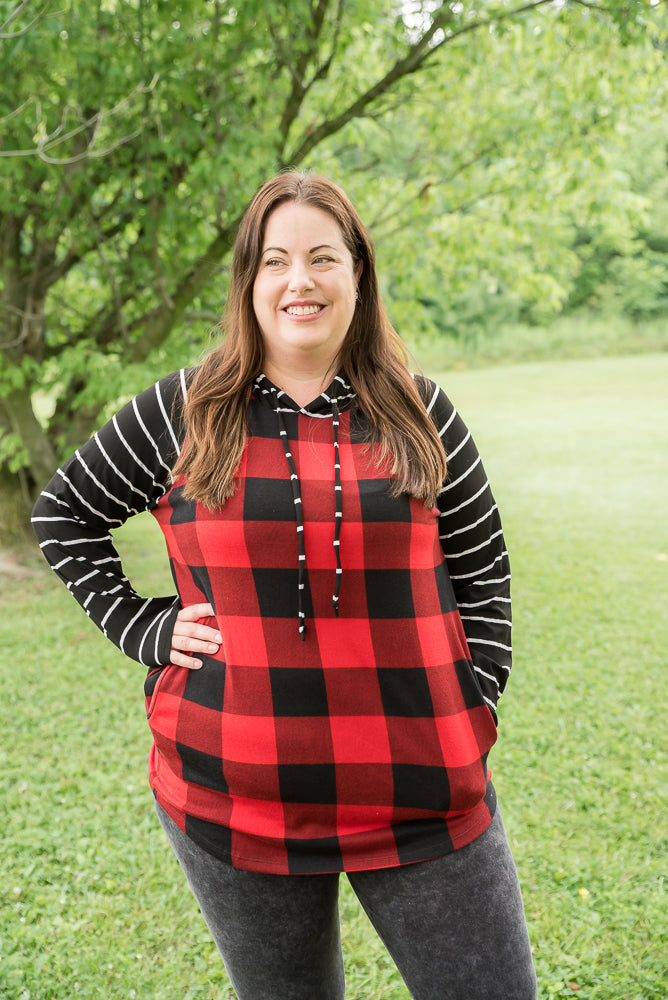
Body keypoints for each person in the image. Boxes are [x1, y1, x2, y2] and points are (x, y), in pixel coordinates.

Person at [32, 172, 537, 1000]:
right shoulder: (182, 410)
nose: (299, 281)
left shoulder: (422, 411)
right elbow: (65, 516)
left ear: (358, 276)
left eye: (321, 257)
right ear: (249, 282)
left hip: (423, 789)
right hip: (234, 799)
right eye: (275, 260)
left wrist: (476, 687)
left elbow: (482, 564)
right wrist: (146, 629)